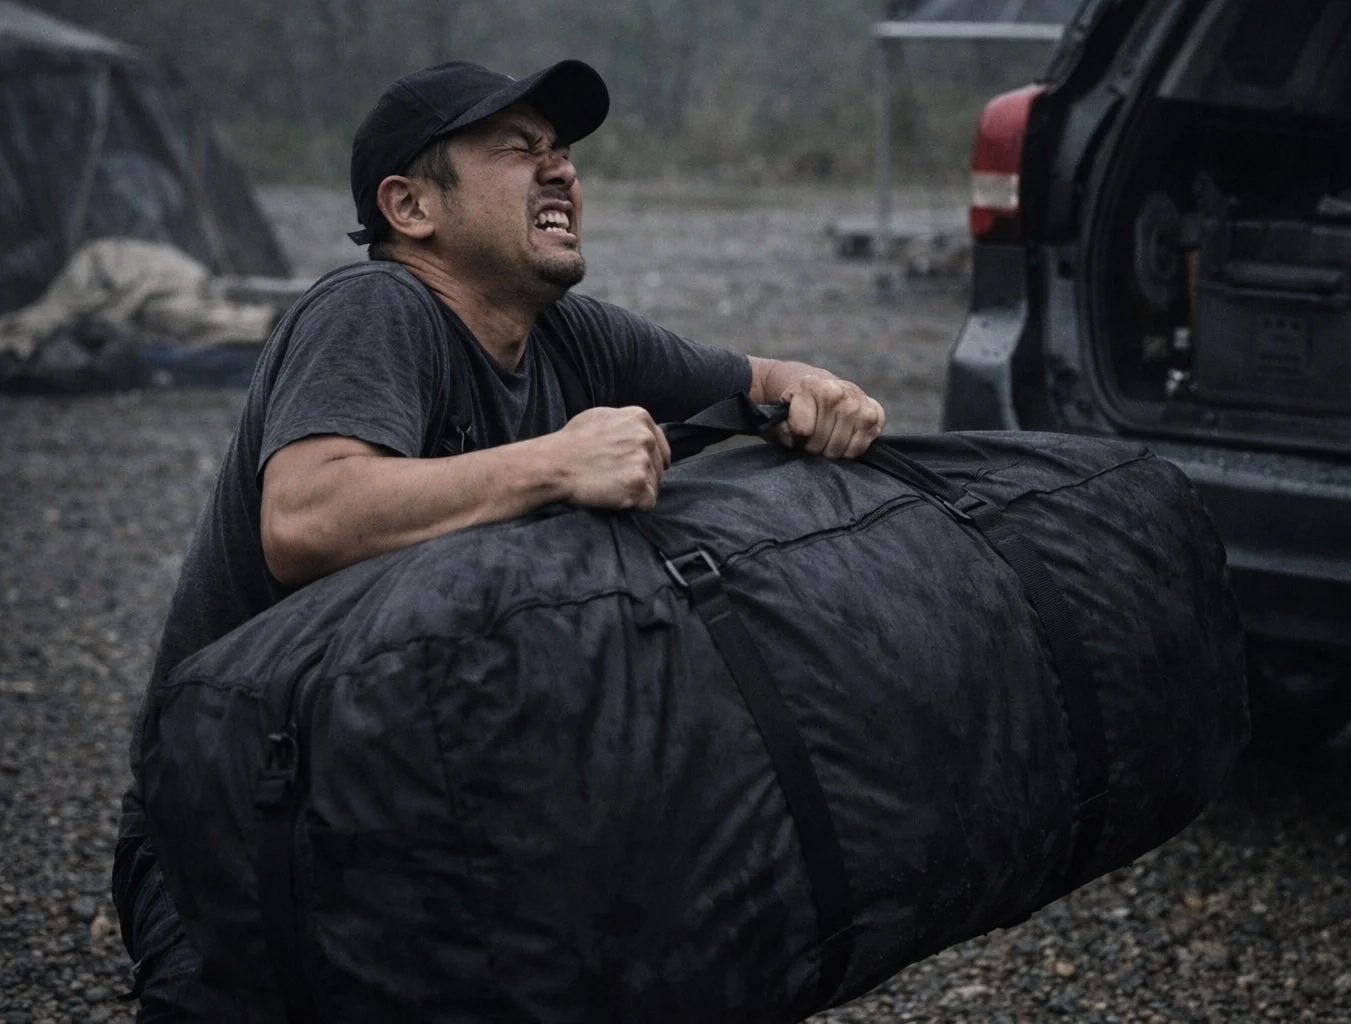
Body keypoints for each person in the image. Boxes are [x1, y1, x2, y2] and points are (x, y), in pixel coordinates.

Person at [112, 58, 885, 1019]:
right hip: (241, 816)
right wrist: (555, 462)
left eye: (561, 151)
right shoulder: (373, 309)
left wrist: (819, 392)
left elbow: (761, 378)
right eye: (520, 150)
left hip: (422, 801)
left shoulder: (572, 334)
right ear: (410, 207)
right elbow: (305, 515)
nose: (561, 170)